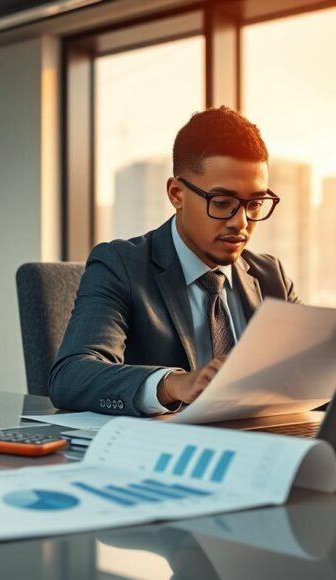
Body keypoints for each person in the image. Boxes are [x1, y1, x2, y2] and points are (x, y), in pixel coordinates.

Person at [49, 106, 299, 416]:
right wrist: (173, 384)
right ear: (177, 193)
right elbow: (71, 377)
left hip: (266, 445)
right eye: (222, 203)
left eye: (255, 204)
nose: (241, 222)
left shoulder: (270, 276)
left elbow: (310, 377)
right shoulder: (121, 265)